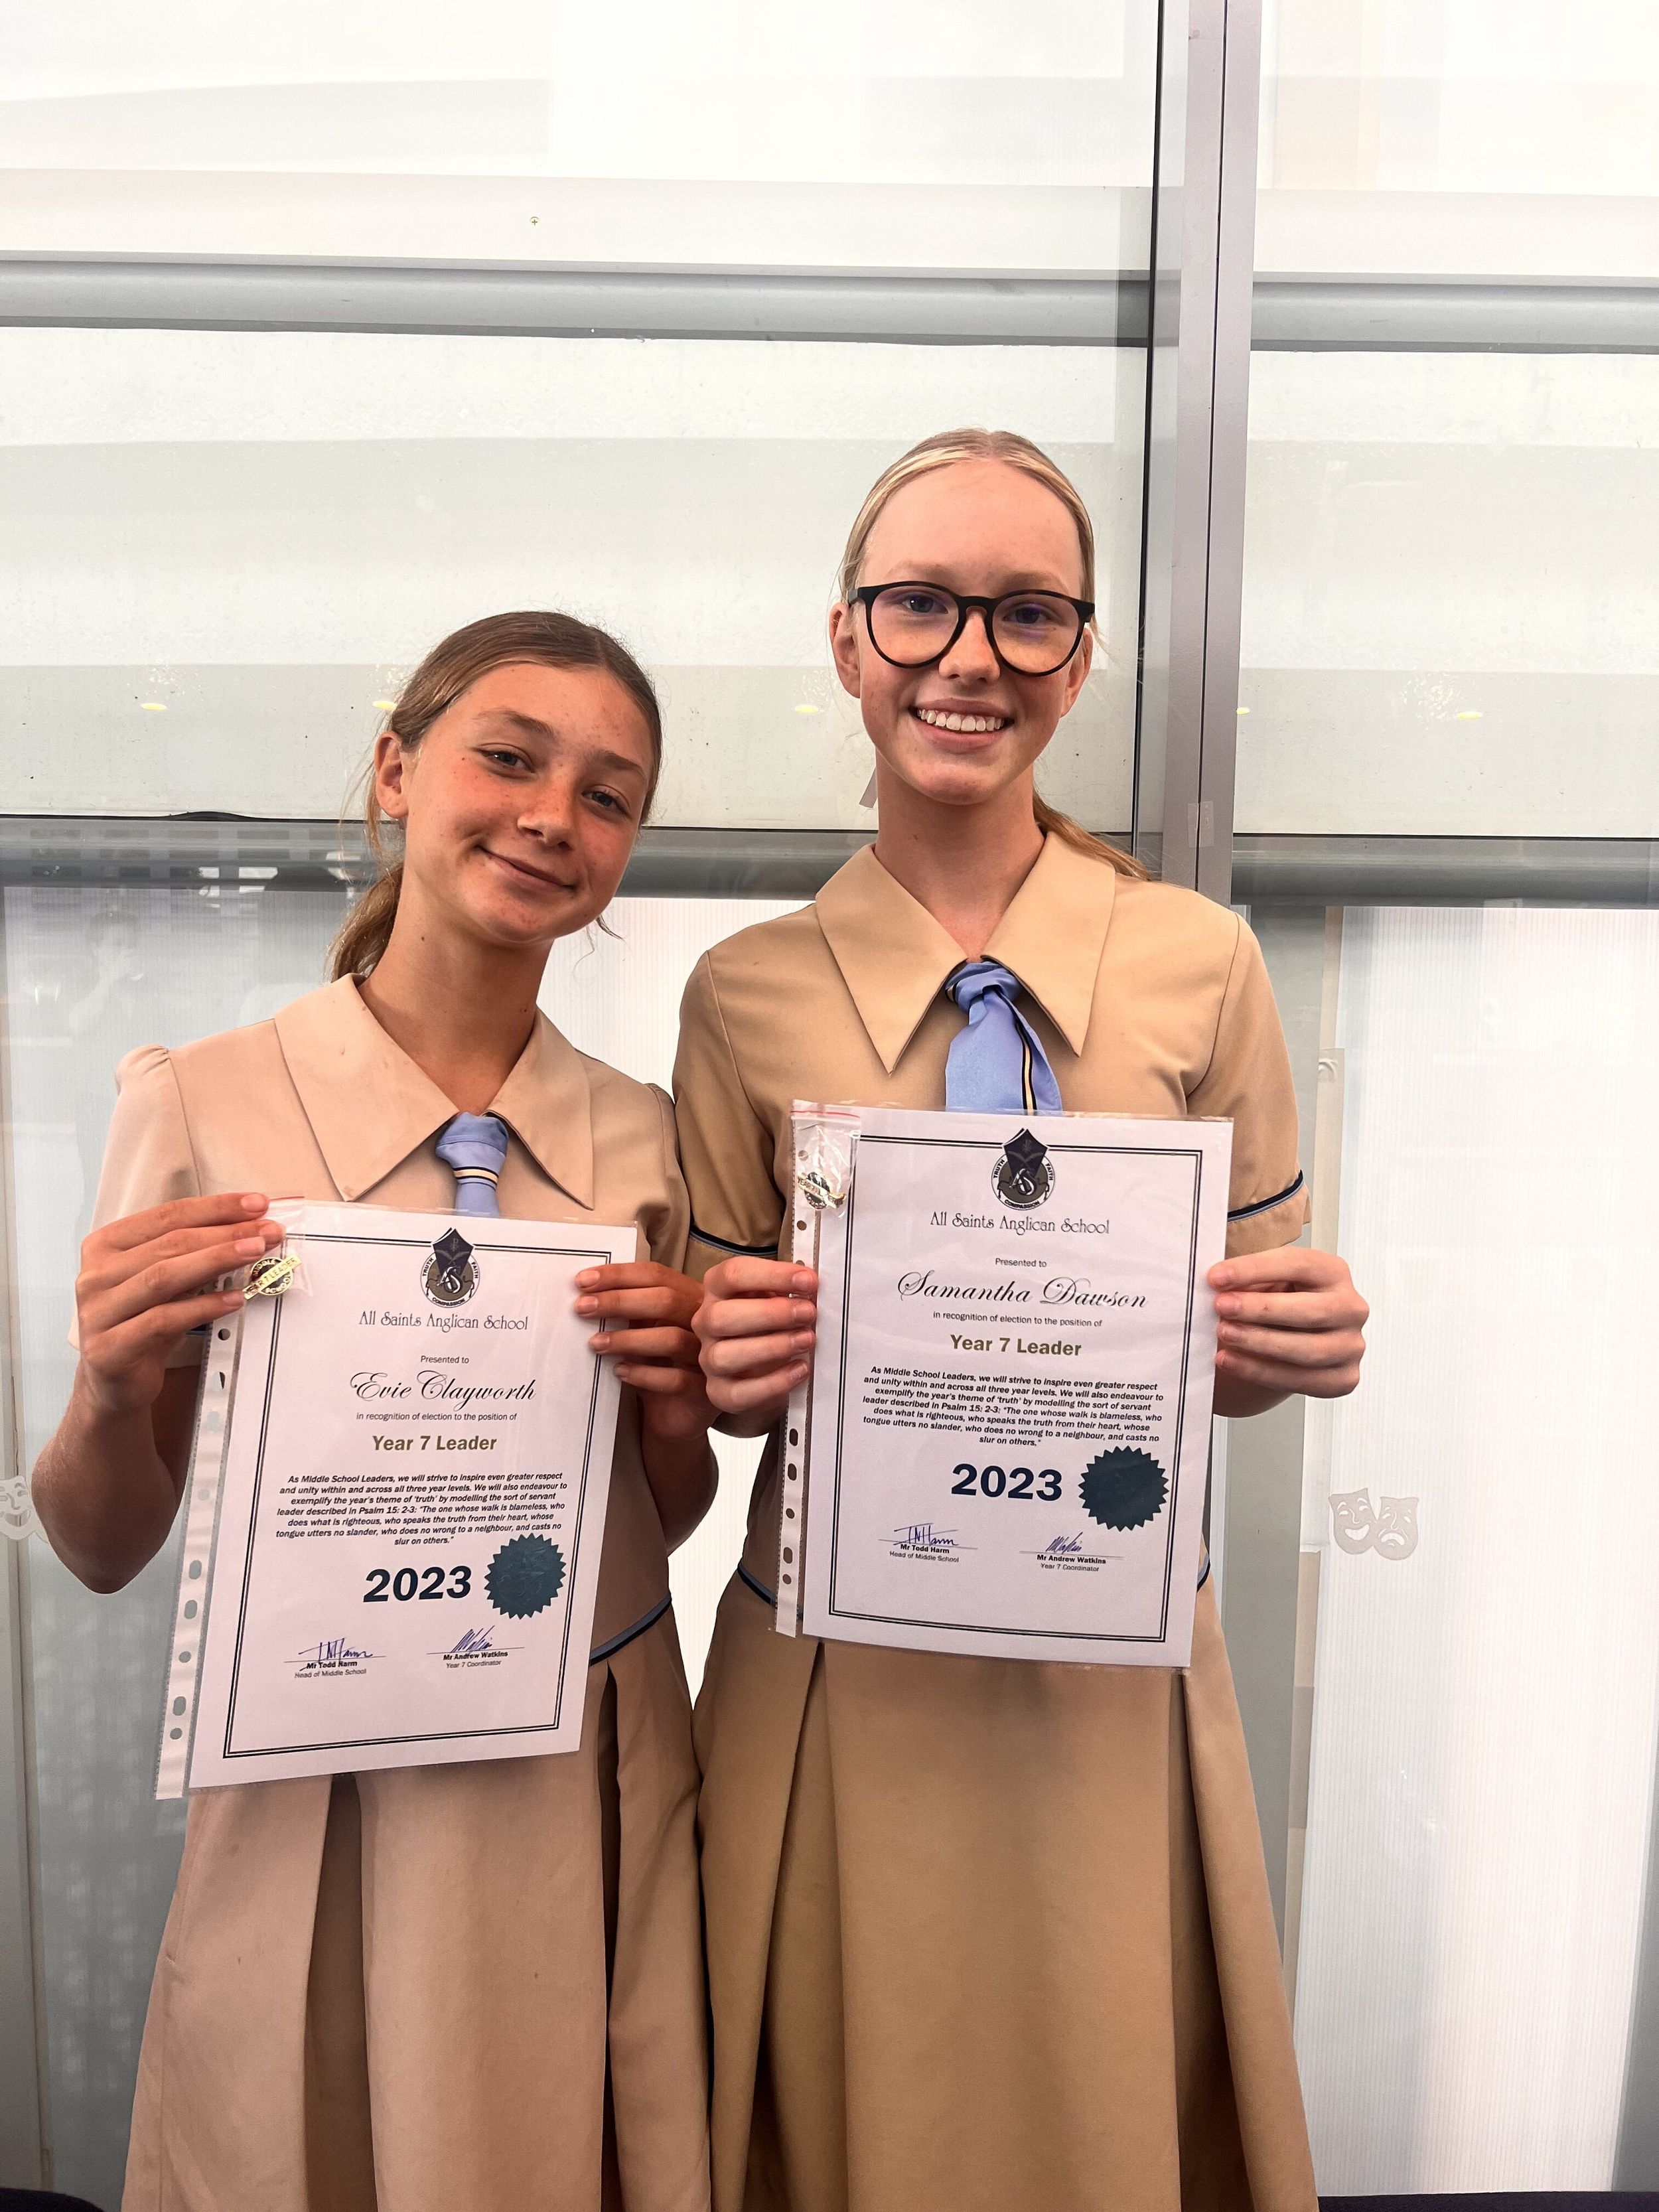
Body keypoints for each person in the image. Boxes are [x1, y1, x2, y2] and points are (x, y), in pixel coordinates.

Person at [676, 430, 1369, 2212]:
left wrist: (1290, 1343)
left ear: (1082, 650)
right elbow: (718, 1386)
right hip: (841, 1678)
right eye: (920, 604)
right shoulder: (740, 994)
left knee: (1101, 2108)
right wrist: (720, 1360)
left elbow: (1241, 1352)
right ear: (846, 638)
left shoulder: (1201, 961)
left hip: (1104, 1675)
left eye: (1026, 612)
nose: (968, 656)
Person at [33, 611, 716, 2212]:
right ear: (397, 770)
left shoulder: (647, 1139)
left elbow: (653, 1520)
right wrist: (111, 1384)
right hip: (316, 1775)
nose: (550, 815)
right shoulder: (202, 1101)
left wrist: (678, 1417)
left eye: (606, 794)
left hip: (578, 1769)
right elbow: (100, 1544)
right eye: (508, 757)